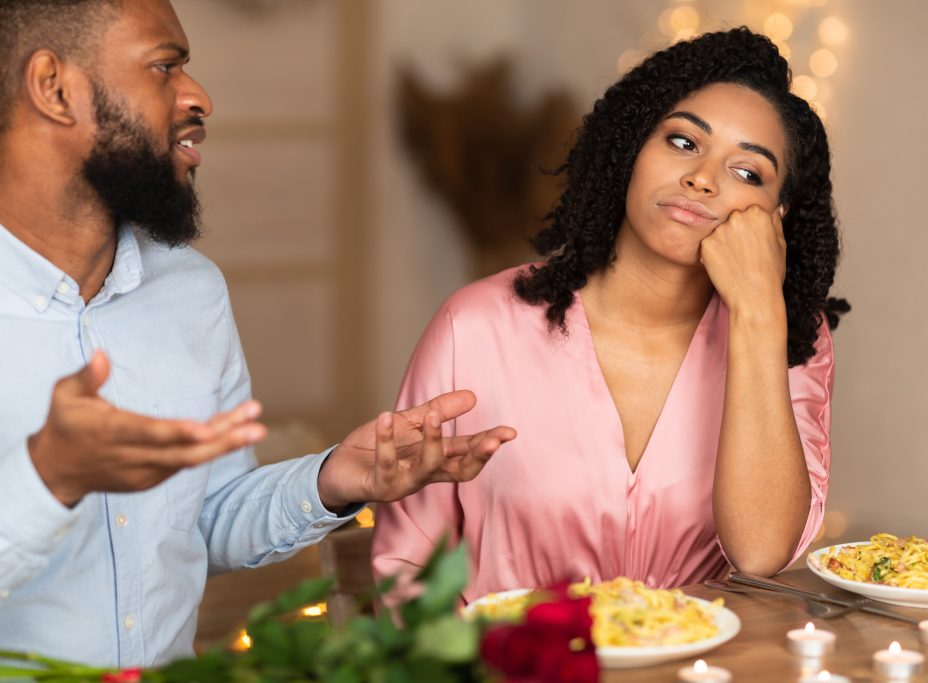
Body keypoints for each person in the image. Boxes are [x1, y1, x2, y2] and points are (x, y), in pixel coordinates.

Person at [0, 0, 516, 667]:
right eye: (164, 67)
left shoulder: (190, 290)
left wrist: (333, 479)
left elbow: (204, 520)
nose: (199, 97)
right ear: (54, 87)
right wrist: (47, 478)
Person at [372, 27, 849, 604]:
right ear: (632, 148)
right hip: (509, 653)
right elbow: (408, 570)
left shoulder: (788, 339)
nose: (702, 179)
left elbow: (761, 551)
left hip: (705, 653)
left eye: (747, 172)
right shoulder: (474, 327)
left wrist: (757, 311)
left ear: (776, 216)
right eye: (682, 142)